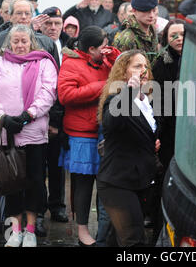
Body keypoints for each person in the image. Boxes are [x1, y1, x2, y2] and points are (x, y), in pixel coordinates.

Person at [0, 24, 58, 247]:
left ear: (31, 41)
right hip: (7, 132)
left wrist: (27, 116)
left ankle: (31, 230)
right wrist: (1, 117)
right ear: (9, 43)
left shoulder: (43, 63)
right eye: (15, 41)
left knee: (34, 181)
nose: (20, 45)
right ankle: (15, 231)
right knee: (11, 182)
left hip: (33, 131)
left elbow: (48, 92)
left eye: (24, 41)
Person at [57, 26, 120, 246]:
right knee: (83, 184)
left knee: (105, 183)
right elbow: (66, 95)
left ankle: (105, 230)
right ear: (91, 49)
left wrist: (113, 55)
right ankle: (82, 230)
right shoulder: (71, 63)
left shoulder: (104, 60)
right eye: (103, 46)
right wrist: (102, 87)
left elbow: (122, 72)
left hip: (106, 130)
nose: (106, 49)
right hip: (82, 133)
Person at [97, 49, 161, 247]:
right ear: (124, 72)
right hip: (118, 182)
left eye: (145, 66)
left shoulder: (147, 102)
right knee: (134, 241)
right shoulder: (116, 98)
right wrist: (129, 92)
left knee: (116, 241)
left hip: (140, 181)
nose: (143, 71)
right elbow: (110, 123)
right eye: (137, 66)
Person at [150, 19, 185, 243]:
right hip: (170, 129)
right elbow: (159, 102)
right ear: (166, 39)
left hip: (192, 128)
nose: (179, 38)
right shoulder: (162, 63)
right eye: (174, 35)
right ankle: (160, 229)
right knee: (165, 181)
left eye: (182, 34)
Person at [38, 6, 69, 224]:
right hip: (39, 117)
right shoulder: (36, 44)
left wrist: (56, 121)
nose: (53, 28)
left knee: (57, 166)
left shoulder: (69, 47)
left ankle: (57, 206)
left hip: (60, 118)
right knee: (39, 167)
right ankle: (38, 209)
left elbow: (63, 87)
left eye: (57, 24)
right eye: (48, 24)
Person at [113, 0, 159, 65]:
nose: (151, 15)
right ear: (134, 11)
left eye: (154, 10)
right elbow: (121, 70)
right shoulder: (127, 38)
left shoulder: (151, 30)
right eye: (146, 11)